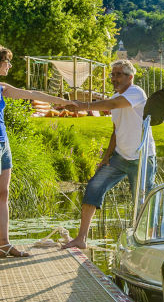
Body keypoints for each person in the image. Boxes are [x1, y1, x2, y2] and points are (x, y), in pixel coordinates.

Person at [0, 45, 72, 260]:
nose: (10, 65)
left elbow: (31, 94)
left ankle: (4, 245)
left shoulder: (0, 87)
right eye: (7, 61)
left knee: (2, 194)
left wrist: (63, 102)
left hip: (4, 145)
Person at [62, 59, 155, 250]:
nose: (113, 78)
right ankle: (81, 239)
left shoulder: (136, 93)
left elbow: (112, 104)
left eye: (118, 74)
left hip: (142, 158)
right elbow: (116, 131)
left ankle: (149, 241)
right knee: (94, 187)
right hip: (119, 158)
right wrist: (106, 156)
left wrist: (82, 105)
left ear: (130, 77)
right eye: (112, 74)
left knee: (143, 200)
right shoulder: (116, 97)